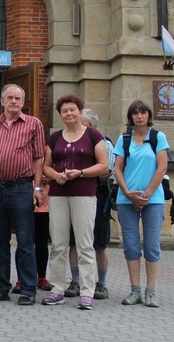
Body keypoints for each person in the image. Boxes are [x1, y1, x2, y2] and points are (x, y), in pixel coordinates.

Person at [0, 84, 44, 307]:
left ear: (23, 102)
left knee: (24, 241)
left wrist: (38, 187)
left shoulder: (34, 124)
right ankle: (1, 287)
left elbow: (39, 158)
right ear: (2, 101)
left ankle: (28, 288)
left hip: (21, 188)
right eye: (9, 98)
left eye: (17, 98)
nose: (14, 101)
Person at [41, 95, 108, 310]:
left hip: (84, 195)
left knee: (84, 244)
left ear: (80, 112)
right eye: (64, 111)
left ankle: (87, 292)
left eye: (72, 110)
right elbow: (46, 166)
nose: (69, 114)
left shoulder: (92, 135)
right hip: (59, 195)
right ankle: (57, 289)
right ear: (60, 115)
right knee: (59, 244)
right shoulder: (54, 137)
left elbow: (103, 166)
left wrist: (80, 172)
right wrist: (56, 175)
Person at [113, 99, 169, 308]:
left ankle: (151, 292)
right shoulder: (124, 139)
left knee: (152, 246)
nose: (139, 116)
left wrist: (145, 195)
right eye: (135, 113)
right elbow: (117, 168)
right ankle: (135, 290)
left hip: (152, 200)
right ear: (131, 117)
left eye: (143, 112)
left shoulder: (157, 137)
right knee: (131, 246)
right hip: (126, 200)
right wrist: (128, 193)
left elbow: (161, 168)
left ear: (148, 115)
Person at [64, 108, 115, 299]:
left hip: (98, 194)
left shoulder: (104, 144)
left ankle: (101, 283)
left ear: (90, 125)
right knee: (74, 240)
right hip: (74, 193)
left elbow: (105, 172)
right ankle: (76, 281)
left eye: (80, 120)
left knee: (99, 242)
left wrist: (81, 171)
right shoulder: (69, 140)